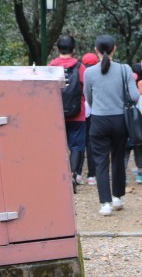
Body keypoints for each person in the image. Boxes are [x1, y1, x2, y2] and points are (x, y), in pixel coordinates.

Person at [84, 35, 142, 216]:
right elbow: (135, 96)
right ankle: (117, 197)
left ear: (96, 50)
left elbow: (88, 98)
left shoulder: (89, 72)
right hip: (120, 119)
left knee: (100, 161)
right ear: (114, 49)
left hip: (98, 120)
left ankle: (105, 203)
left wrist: (99, 106)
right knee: (118, 157)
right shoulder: (124, 69)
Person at [48, 35, 86, 188]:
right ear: (73, 49)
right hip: (77, 114)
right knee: (76, 146)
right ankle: (72, 175)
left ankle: (57, 177)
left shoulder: (50, 67)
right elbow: (86, 88)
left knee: (56, 146)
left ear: (57, 49)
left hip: (55, 114)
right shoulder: (80, 67)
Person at [81, 52, 99, 185]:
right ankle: (92, 175)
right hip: (95, 111)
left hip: (80, 111)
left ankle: (76, 173)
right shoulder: (99, 73)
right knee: (91, 143)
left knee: (79, 143)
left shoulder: (80, 72)